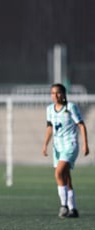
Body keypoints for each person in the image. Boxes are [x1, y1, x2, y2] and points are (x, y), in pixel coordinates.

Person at [42, 83, 89, 218]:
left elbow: (81, 125)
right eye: (52, 93)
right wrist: (45, 144)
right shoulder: (50, 109)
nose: (55, 96)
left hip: (70, 145)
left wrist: (86, 144)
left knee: (58, 173)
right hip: (58, 147)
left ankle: (64, 206)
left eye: (58, 93)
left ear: (63, 94)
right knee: (66, 177)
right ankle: (73, 209)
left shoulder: (70, 107)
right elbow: (50, 127)